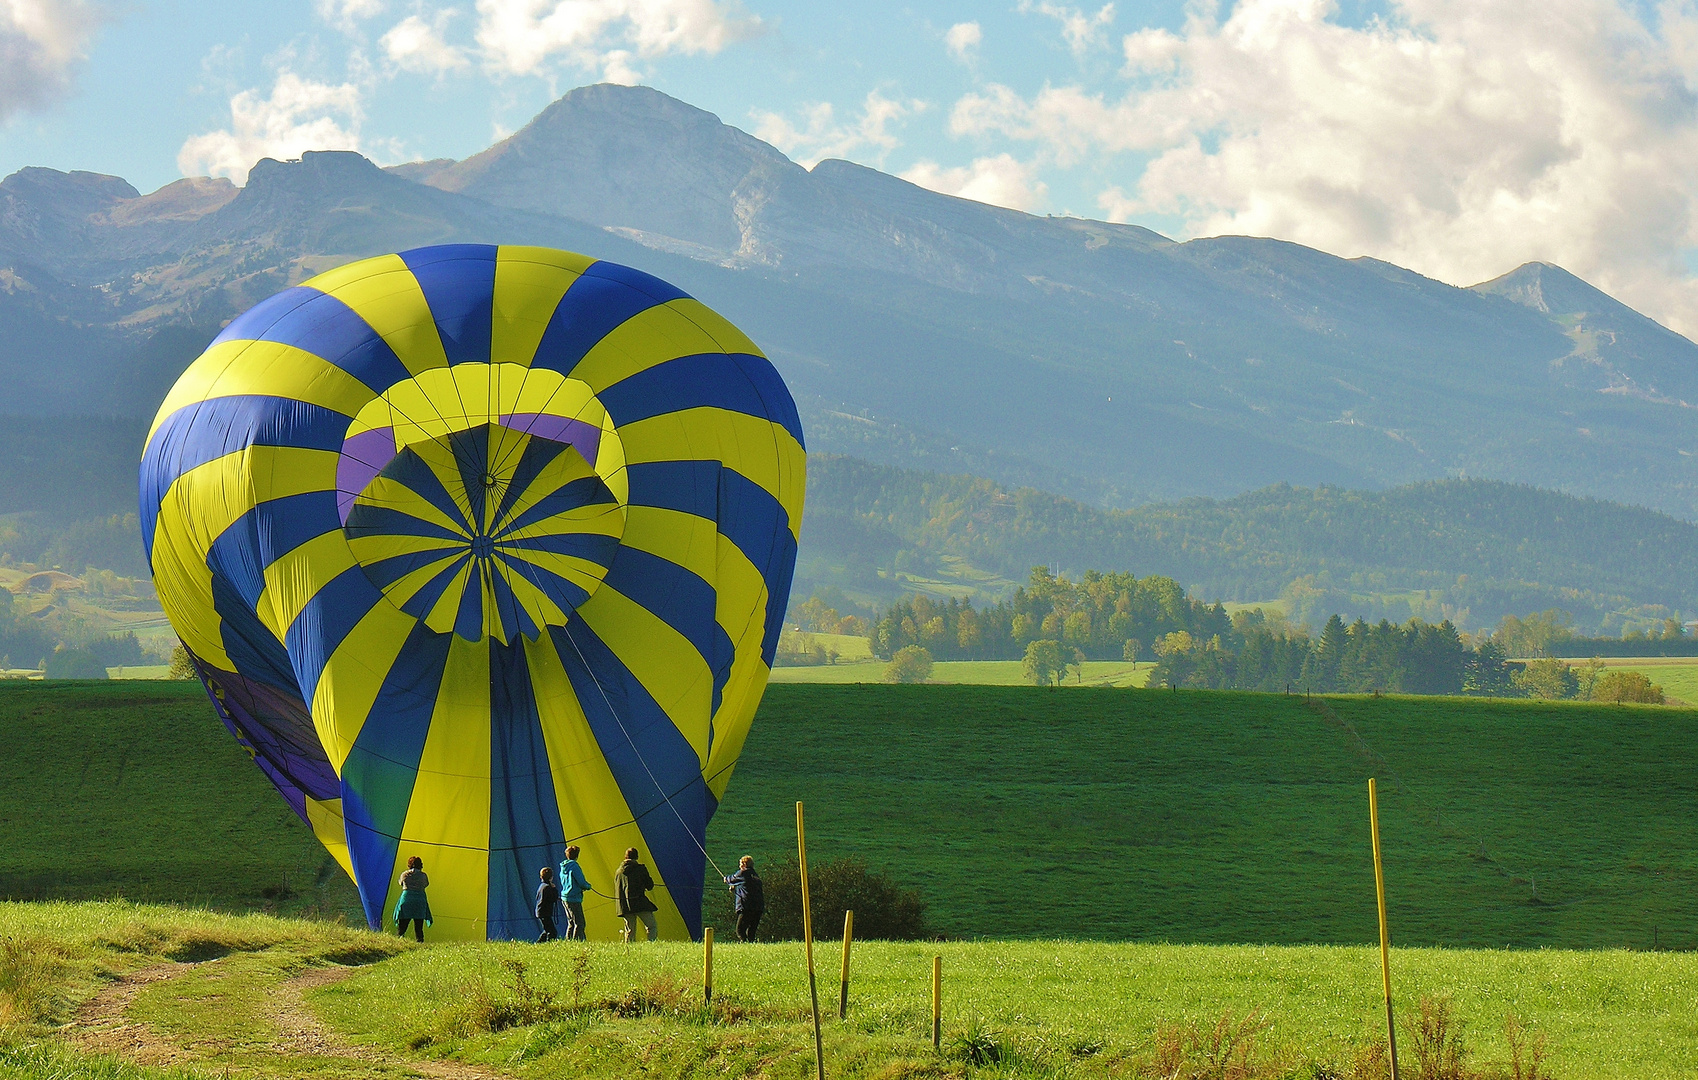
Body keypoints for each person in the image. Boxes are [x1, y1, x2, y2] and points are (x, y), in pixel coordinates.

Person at [614, 846, 659, 941]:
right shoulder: (640, 869)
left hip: (625, 905)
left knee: (630, 931)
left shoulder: (618, 872)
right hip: (640, 903)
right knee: (651, 926)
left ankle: (629, 951)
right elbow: (650, 886)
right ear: (636, 857)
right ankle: (652, 944)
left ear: (625, 857)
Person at [724, 855, 765, 943]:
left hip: (746, 906)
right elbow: (747, 886)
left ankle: (744, 944)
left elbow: (731, 879)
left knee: (740, 930)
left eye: (740, 864)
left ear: (743, 864)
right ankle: (751, 944)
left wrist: (726, 879)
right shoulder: (755, 876)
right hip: (758, 907)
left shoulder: (742, 873)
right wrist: (736, 888)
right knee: (751, 931)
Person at [558, 844, 593, 941]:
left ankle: (569, 941)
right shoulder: (574, 866)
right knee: (580, 922)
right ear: (577, 855)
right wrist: (588, 886)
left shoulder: (563, 867)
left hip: (565, 897)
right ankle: (577, 942)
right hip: (574, 898)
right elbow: (581, 882)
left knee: (571, 922)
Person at [394, 855, 431, 942]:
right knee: (419, 927)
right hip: (420, 899)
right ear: (420, 865)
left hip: (407, 899)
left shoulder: (405, 874)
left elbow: (401, 883)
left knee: (402, 926)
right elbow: (426, 884)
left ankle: (398, 940)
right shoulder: (423, 876)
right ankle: (420, 942)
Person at [535, 866, 561, 943]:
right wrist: (554, 889)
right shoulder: (547, 887)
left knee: (547, 930)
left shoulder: (542, 886)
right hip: (545, 913)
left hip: (540, 912)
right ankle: (549, 944)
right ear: (551, 877)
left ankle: (538, 943)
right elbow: (552, 898)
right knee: (552, 932)